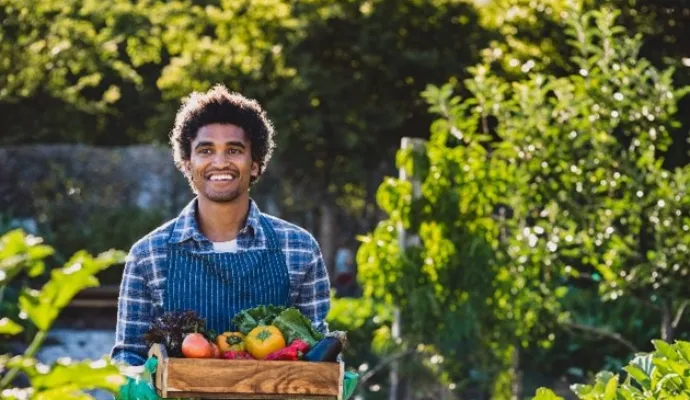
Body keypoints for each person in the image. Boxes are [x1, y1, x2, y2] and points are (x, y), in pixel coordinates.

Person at [110, 84, 331, 366]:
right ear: (187, 164)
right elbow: (128, 355)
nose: (220, 162)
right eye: (205, 150)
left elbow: (316, 355)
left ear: (255, 163)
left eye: (234, 150)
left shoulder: (299, 249)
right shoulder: (149, 255)